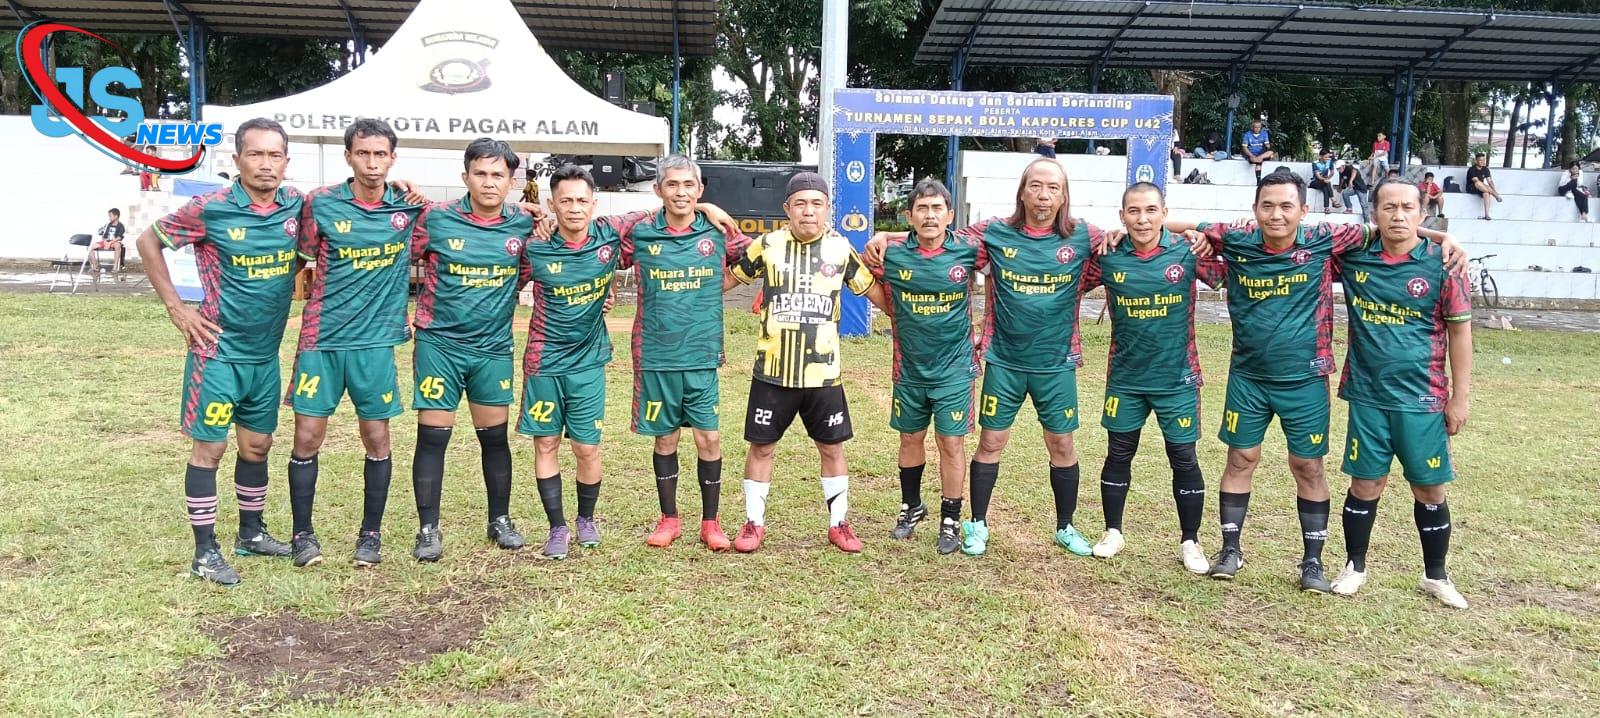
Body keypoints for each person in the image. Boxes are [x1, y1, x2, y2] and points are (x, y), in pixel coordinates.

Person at [1161, 172, 1465, 593]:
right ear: (1254, 210)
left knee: (1308, 465)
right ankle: (1230, 550)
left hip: (1307, 377)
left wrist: (1444, 237)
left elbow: (1390, 226)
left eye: (1287, 206)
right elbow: (1167, 222)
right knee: (1240, 459)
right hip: (1248, 376)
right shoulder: (1238, 238)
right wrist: (1145, 230)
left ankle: (1313, 562)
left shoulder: (1324, 238)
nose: (1277, 214)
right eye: (1268, 205)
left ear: (1303, 210)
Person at [867, 158, 1104, 558]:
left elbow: (1131, 238)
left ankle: (1066, 526)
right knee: (990, 441)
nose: (1043, 195)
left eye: (1053, 188)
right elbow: (936, 236)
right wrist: (886, 234)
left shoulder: (1084, 235)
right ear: (1022, 191)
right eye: (1035, 186)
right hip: (1003, 361)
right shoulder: (994, 233)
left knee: (1062, 443)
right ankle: (976, 524)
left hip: (1057, 363)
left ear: (1064, 195)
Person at [133, 118, 304, 585]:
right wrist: (177, 308)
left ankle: (251, 533)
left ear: (286, 161)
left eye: (274, 155)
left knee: (258, 445)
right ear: (238, 160)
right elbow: (148, 240)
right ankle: (205, 553)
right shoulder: (210, 208)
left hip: (265, 356)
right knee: (210, 448)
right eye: (256, 154)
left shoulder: (297, 205)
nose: (265, 164)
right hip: (217, 353)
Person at [282, 118, 426, 568]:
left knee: (377, 437)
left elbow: (469, 215)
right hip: (322, 339)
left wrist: (533, 213)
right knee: (307, 436)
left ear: (393, 158)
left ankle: (370, 535)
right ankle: (302, 535)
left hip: (375, 344)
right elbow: (296, 259)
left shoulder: (408, 208)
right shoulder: (320, 203)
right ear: (348, 156)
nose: (372, 162)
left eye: (380, 154)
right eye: (363, 153)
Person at [1331, 178, 1473, 609]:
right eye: (1388, 207)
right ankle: (1354, 567)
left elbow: (1460, 333)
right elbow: (1305, 241)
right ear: (1374, 213)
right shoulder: (1354, 257)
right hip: (1368, 395)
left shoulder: (1443, 264)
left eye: (1408, 207)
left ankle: (1436, 575)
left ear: (1422, 213)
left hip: (1424, 398)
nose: (1398, 215)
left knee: (1429, 488)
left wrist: (1460, 397)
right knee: (1365, 483)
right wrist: (1443, 234)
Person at [601, 156, 748, 552]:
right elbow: (600, 243)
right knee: (665, 440)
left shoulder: (717, 231)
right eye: (672, 185)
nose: (681, 192)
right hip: (655, 355)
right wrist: (605, 289)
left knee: (709, 439)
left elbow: (759, 258)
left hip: (702, 355)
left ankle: (711, 523)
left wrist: (723, 281)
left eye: (689, 185)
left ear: (700, 189)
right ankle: (669, 519)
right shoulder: (641, 232)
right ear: (658, 190)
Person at [725, 172, 876, 554]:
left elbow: (873, 290)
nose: (809, 211)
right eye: (801, 204)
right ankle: (753, 522)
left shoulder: (841, 249)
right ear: (787, 209)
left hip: (824, 375)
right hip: (772, 373)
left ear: (827, 208)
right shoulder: (767, 245)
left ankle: (839, 523)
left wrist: (914, 315)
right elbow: (727, 280)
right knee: (761, 448)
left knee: (832, 449)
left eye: (816, 204)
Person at [407, 138, 537, 562]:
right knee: (433, 438)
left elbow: (528, 272)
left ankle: (500, 520)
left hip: (492, 347)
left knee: (494, 438)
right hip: (439, 344)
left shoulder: (524, 225)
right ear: (465, 177)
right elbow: (395, 248)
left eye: (498, 174)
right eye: (480, 173)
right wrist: (397, 189)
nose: (488, 182)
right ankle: (428, 529)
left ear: (511, 181)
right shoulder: (435, 218)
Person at [1088, 183, 1225, 574]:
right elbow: (1067, 280)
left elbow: (1231, 270)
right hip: (1126, 378)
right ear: (1122, 217)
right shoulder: (1108, 255)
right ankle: (1113, 532)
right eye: (1133, 211)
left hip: (1177, 378)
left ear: (1164, 213)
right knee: (1118, 454)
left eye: (1151, 210)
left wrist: (1200, 235)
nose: (1142, 219)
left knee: (1183, 458)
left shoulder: (1188, 251)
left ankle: (1190, 541)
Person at [860, 178, 983, 555]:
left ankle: (950, 518)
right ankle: (911, 506)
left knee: (951, 442)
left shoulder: (968, 249)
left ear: (950, 215)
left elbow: (1008, 253)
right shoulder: (891, 254)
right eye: (922, 209)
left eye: (937, 209)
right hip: (909, 368)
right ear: (909, 216)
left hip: (955, 369)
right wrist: (882, 237)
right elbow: (865, 277)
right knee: (910, 439)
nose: (930, 216)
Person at [513, 164, 629, 559]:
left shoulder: (610, 235)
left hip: (588, 362)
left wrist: (708, 206)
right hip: (544, 362)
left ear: (594, 203)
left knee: (586, 448)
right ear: (552, 204)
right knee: (546, 443)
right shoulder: (535, 247)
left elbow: (663, 211)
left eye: (582, 200)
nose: (574, 208)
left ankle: (586, 519)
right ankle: (557, 527)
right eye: (566, 201)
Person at [1466, 152, 1502, 220]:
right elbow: (1476, 180)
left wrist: (1494, 189)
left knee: (1486, 193)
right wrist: (1492, 191)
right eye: (1480, 160)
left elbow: (1490, 181)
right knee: (1478, 183)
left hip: (1482, 188)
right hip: (1472, 187)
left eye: (1483, 160)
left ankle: (1486, 215)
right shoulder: (1471, 169)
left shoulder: (1485, 169)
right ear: (1476, 161)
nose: (1482, 162)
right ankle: (1495, 195)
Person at [93, 208, 127, 275]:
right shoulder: (108, 225)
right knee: (90, 247)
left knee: (118, 245)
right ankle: (95, 265)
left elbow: (119, 237)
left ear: (116, 216)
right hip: (106, 241)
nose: (109, 218)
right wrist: (105, 242)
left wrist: (110, 243)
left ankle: (115, 267)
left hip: (114, 242)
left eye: (110, 216)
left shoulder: (121, 226)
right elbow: (103, 235)